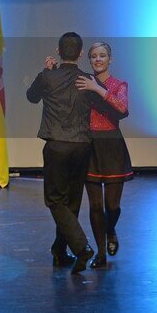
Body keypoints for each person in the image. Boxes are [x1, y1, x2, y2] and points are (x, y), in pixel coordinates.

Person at [26, 32, 95, 274]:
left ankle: (81, 247)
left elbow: (31, 97)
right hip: (82, 145)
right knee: (71, 201)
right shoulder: (87, 80)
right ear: (81, 53)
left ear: (58, 51)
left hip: (57, 145)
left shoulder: (48, 77)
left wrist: (47, 72)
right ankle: (59, 250)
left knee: (56, 200)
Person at [76, 41, 132, 269]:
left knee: (113, 206)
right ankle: (100, 252)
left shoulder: (119, 85)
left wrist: (97, 89)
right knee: (96, 206)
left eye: (102, 55)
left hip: (112, 146)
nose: (98, 59)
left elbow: (122, 109)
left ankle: (111, 229)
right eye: (94, 56)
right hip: (90, 146)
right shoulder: (83, 82)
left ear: (110, 59)